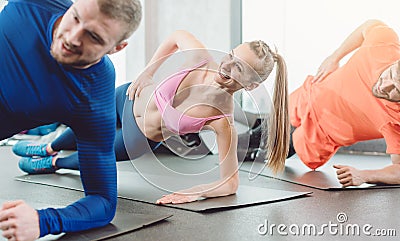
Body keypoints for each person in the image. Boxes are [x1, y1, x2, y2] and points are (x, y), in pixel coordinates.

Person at [13, 30, 291, 205]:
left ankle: (53, 163)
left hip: (138, 137)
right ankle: (49, 146)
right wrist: (148, 71)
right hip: (127, 96)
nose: (228, 65)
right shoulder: (202, 57)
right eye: (231, 56)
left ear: (252, 85)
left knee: (94, 153)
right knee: (84, 121)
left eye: (239, 68)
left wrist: (197, 191)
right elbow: (175, 36)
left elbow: (230, 183)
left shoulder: (222, 120)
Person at [0, 0, 142, 240]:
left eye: (94, 36)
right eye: (75, 17)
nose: (73, 38)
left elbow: (103, 201)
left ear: (116, 48)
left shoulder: (93, 94)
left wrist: (43, 220)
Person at [288, 19, 400, 187]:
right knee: (260, 126)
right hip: (310, 95)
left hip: (318, 136)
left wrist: (364, 175)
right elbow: (368, 26)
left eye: (395, 90)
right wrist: (334, 57)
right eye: (390, 74)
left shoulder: (395, 120)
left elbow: (398, 168)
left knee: (254, 145)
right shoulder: (385, 44)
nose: (384, 86)